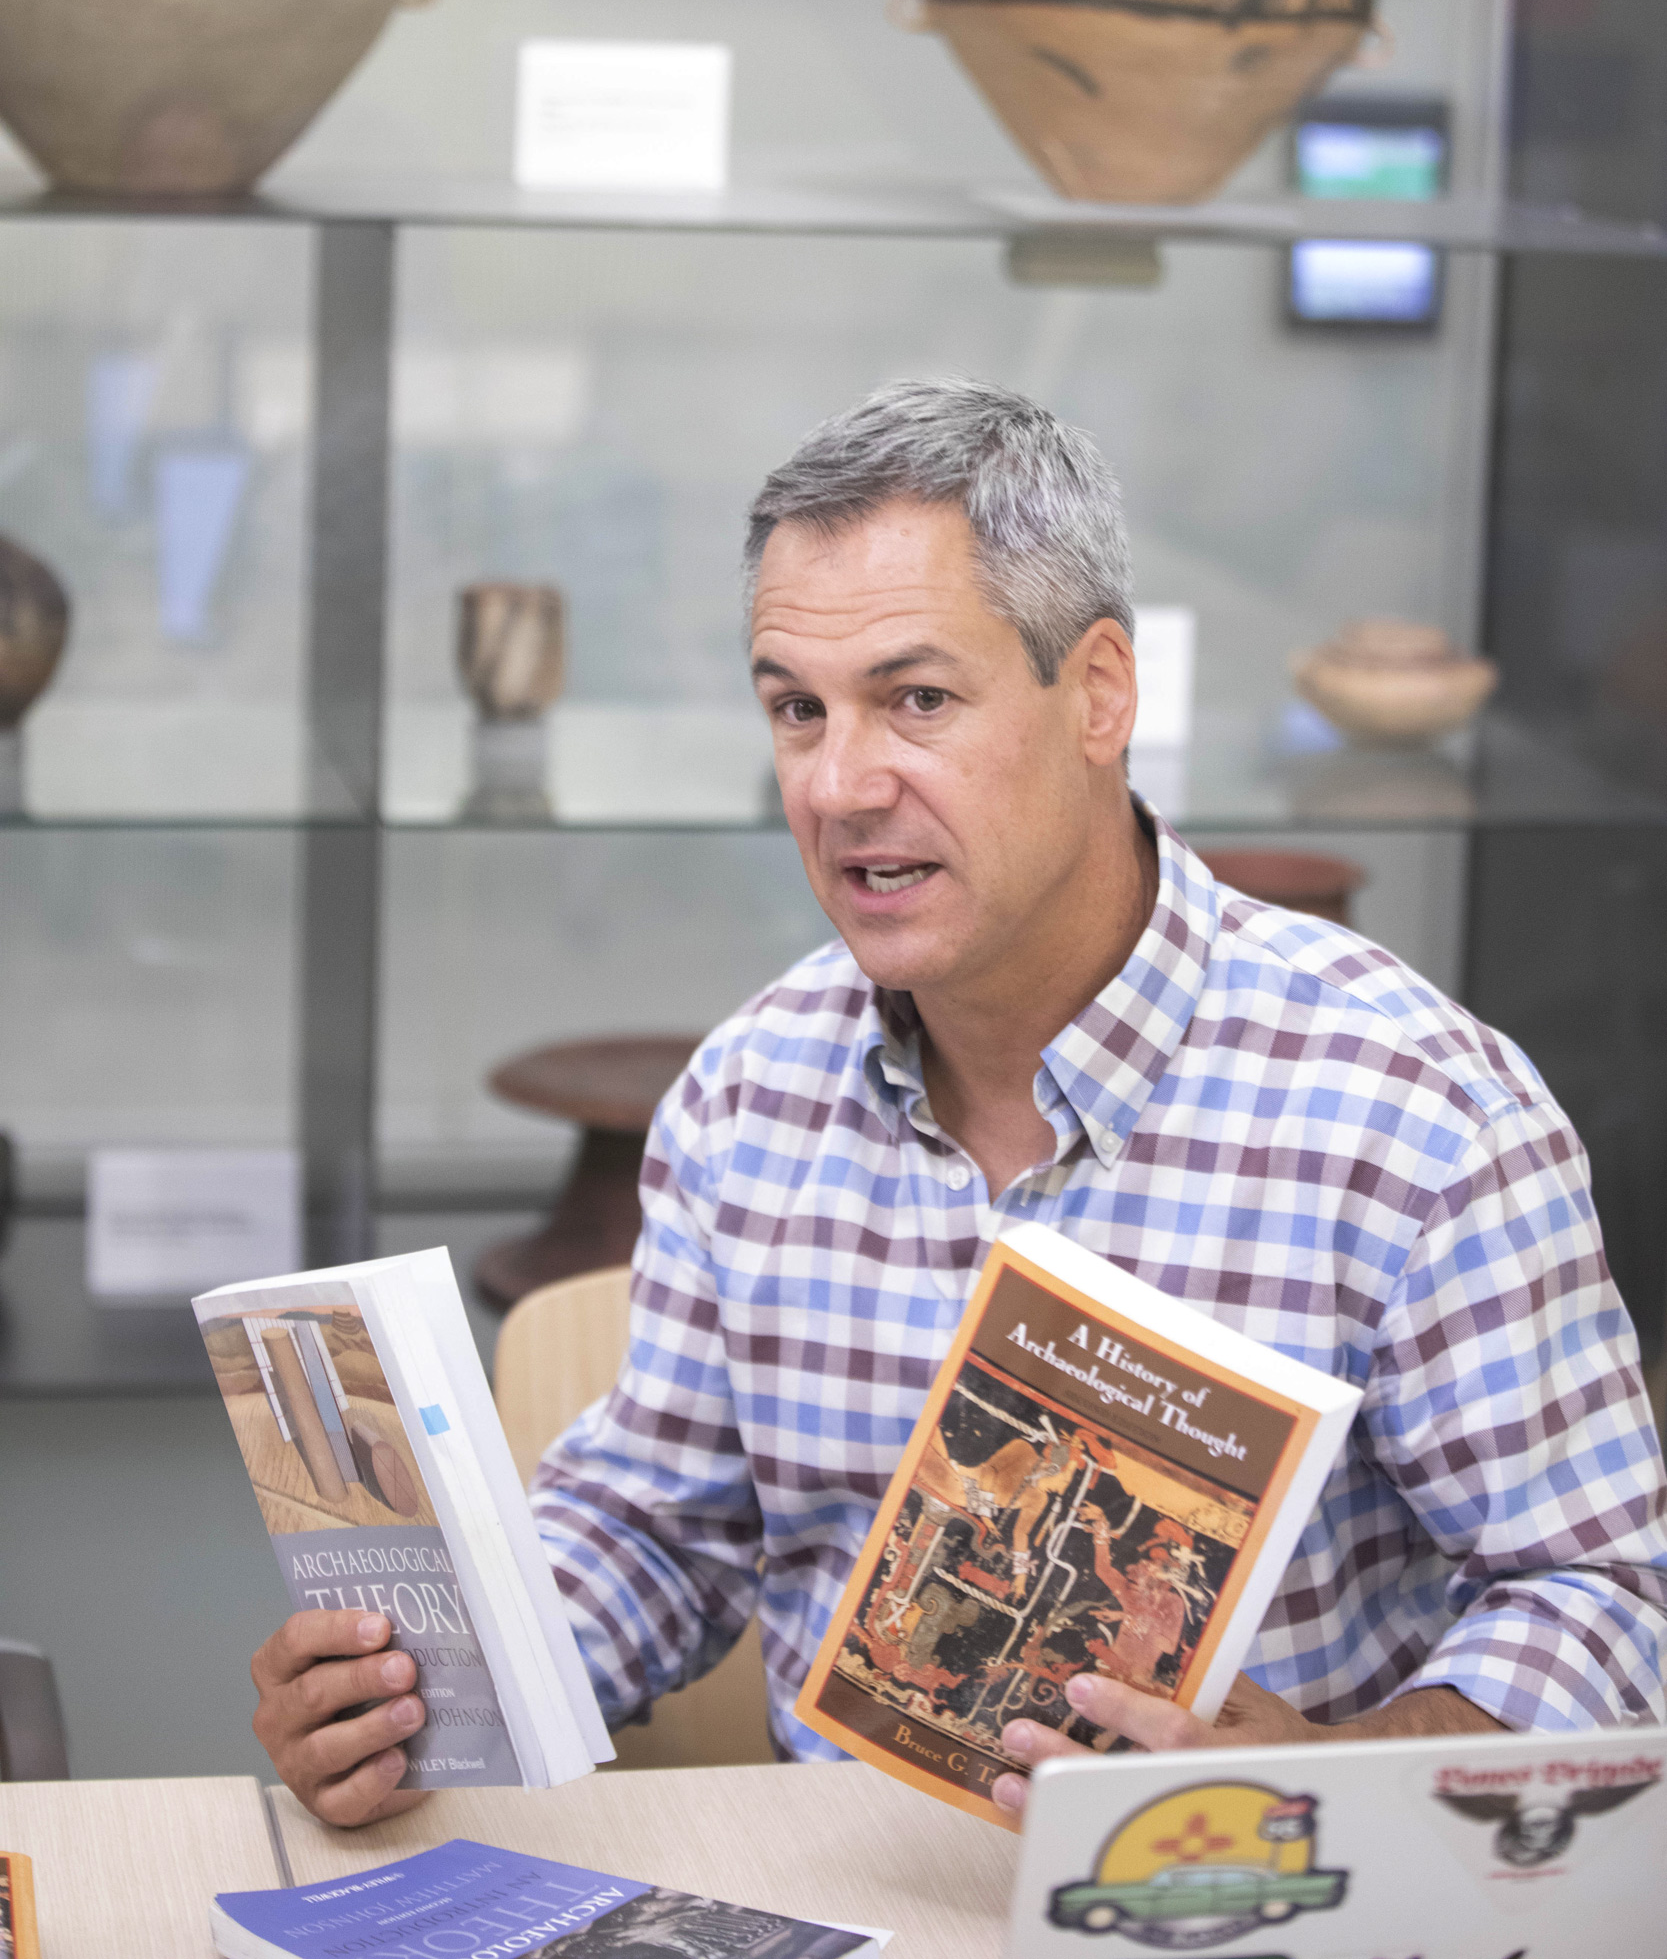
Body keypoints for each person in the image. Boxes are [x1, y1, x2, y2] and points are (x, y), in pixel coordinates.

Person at [251, 378, 1667, 1828]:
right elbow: (656, 1530)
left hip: (1236, 1897)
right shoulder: (750, 1096)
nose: (841, 784)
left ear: (1100, 695)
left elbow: (1611, 1601)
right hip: (844, 1905)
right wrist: (427, 1685)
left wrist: (1316, 1771)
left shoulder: (1419, 1112)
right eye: (798, 711)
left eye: (917, 700)